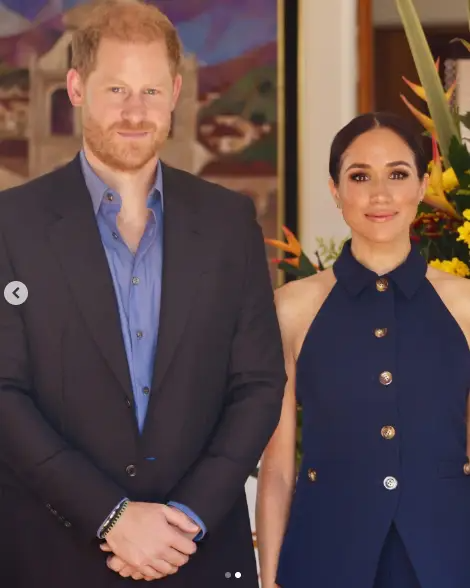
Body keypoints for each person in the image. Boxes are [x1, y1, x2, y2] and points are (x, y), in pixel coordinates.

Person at [0, 1, 286, 586]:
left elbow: (258, 385)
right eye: (117, 90)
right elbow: (4, 393)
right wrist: (110, 517)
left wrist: (186, 518)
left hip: (197, 554)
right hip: (50, 556)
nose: (136, 112)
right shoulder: (12, 223)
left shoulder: (231, 223)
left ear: (177, 91)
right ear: (77, 88)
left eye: (152, 91)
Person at [256, 111, 470, 588]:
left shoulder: (465, 304)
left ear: (421, 186)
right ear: (335, 190)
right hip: (322, 559)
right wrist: (268, 582)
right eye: (359, 176)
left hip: (448, 559)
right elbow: (277, 468)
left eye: (398, 174)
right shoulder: (291, 308)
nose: (380, 194)